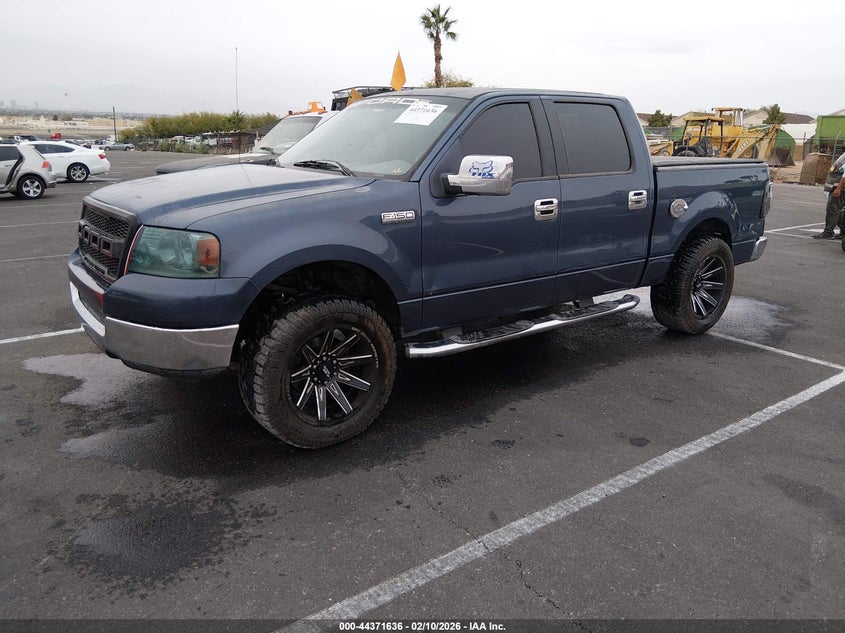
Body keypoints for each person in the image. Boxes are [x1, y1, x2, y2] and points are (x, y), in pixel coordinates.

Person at [813, 170, 845, 239]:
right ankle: (843, 231)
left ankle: (828, 233)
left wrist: (838, 188)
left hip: (841, 188)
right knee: (838, 210)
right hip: (839, 187)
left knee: (833, 209)